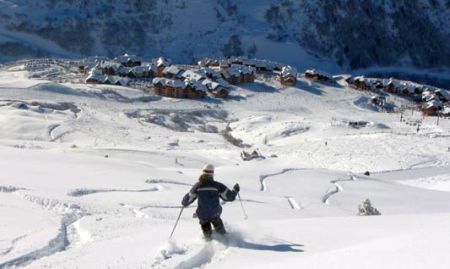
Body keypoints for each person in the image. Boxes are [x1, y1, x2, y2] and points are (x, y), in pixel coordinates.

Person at [181, 164, 240, 239]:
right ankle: (226, 243)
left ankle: (208, 245)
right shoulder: (217, 186)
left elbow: (186, 201)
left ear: (202, 172)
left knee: (208, 237)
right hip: (215, 213)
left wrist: (184, 201)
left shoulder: (198, 186)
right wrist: (235, 190)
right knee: (223, 235)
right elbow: (230, 197)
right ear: (212, 173)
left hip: (203, 215)